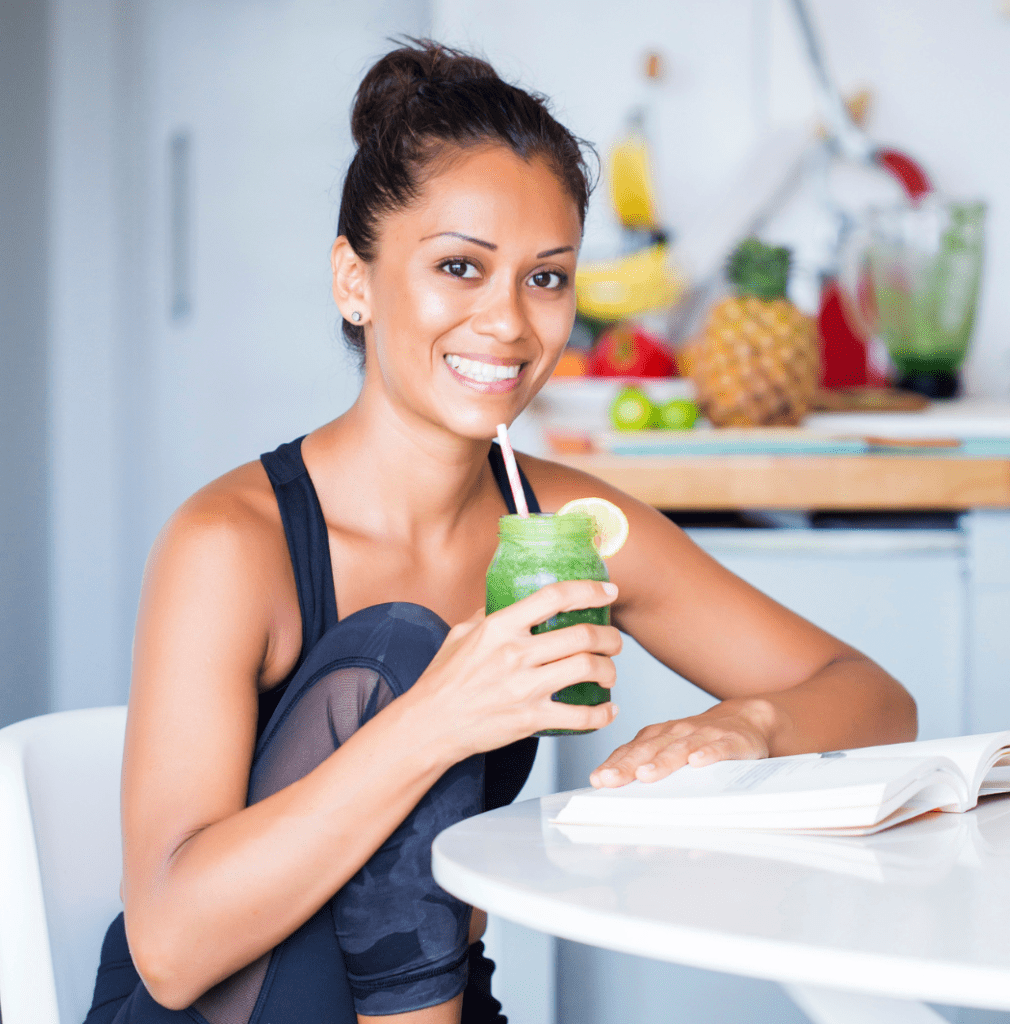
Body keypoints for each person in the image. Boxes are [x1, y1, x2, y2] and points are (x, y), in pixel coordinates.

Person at [83, 39, 917, 1024]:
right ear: (355, 281)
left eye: (546, 277)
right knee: (394, 651)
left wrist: (752, 723)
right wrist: (440, 715)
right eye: (459, 267)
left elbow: (874, 700)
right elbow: (173, 951)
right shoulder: (232, 542)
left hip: (443, 1002)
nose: (510, 324)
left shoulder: (562, 523)